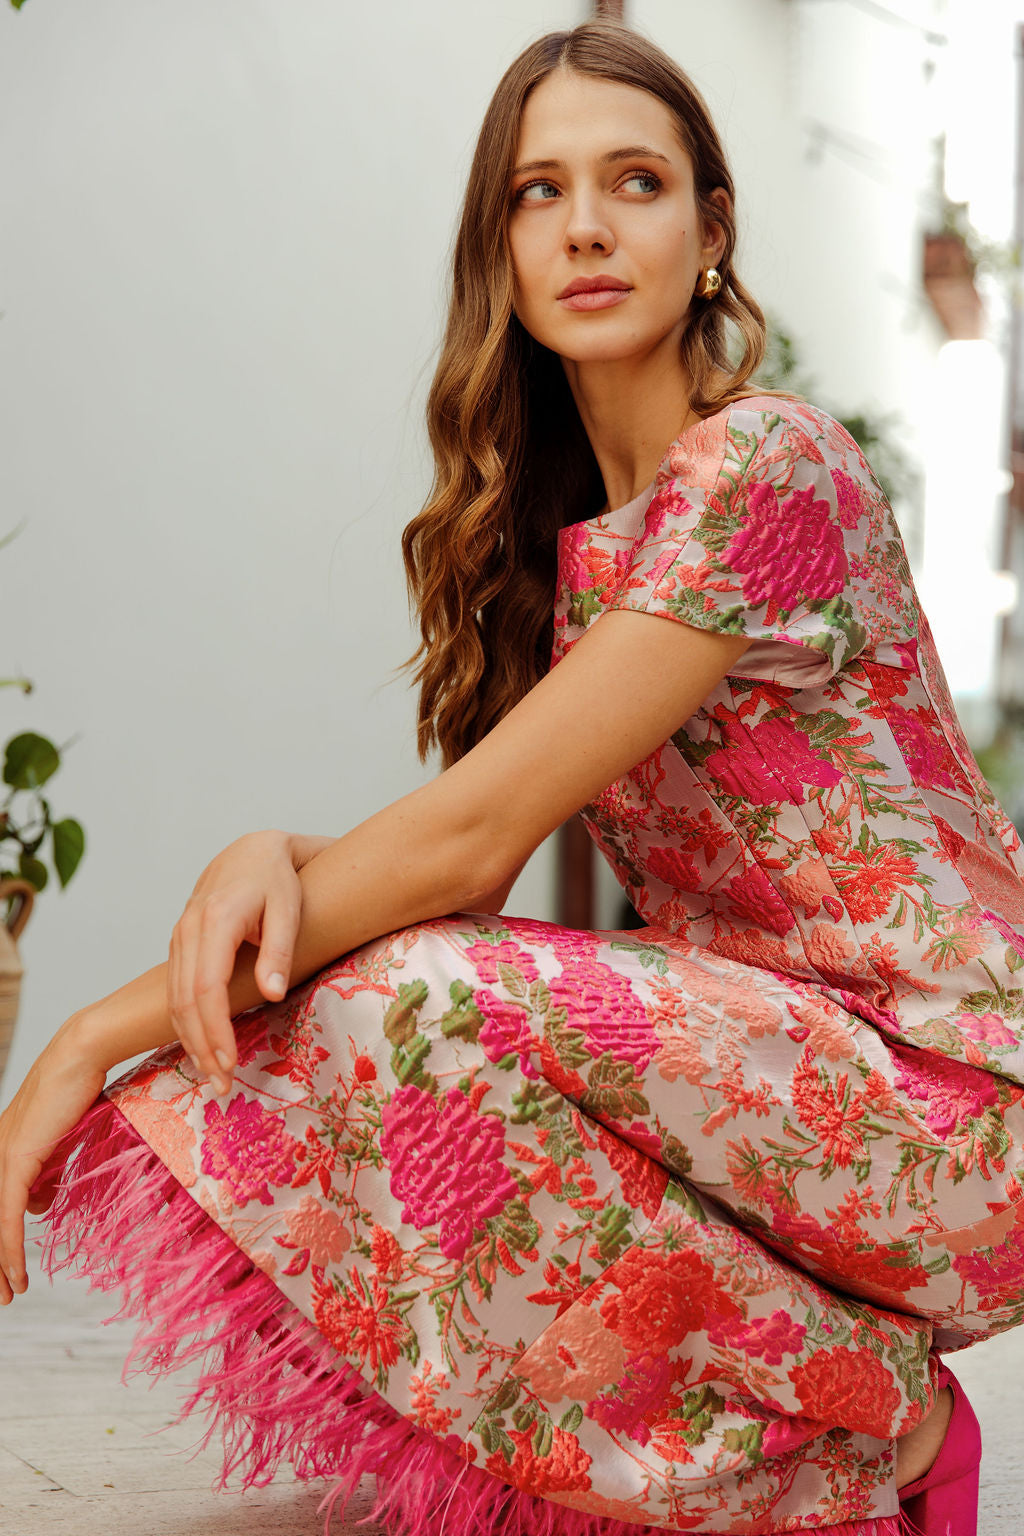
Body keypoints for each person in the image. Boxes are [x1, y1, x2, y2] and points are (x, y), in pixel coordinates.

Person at [0, 17, 1017, 1536]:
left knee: (409, 992)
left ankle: (882, 1430)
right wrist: (276, 850)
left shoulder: (770, 466)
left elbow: (467, 840)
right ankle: (821, 1436)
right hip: (784, 1080)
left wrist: (88, 1036)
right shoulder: (574, 560)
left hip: (961, 1103)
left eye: (636, 182)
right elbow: (464, 857)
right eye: (540, 193)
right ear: (502, 250)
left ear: (713, 232)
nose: (587, 227)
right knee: (369, 991)